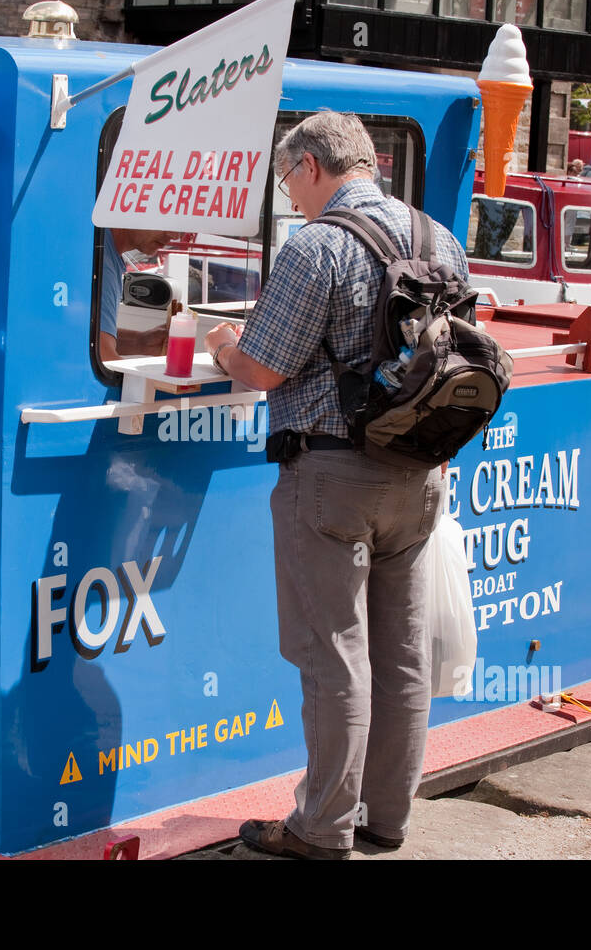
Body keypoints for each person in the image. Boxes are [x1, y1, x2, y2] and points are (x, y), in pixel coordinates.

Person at [202, 112, 467, 860]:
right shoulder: (435, 237)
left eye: (288, 180)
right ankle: (386, 820)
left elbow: (263, 368)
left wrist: (224, 343)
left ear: (312, 165)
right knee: (402, 652)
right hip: (418, 471)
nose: (291, 195)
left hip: (330, 474)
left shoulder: (316, 246)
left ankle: (321, 828)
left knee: (334, 655)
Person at [97, 227, 182, 362]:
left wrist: (140, 342)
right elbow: (103, 359)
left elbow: (87, 336)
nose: (174, 234)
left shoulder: (101, 245)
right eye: (165, 216)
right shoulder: (102, 263)